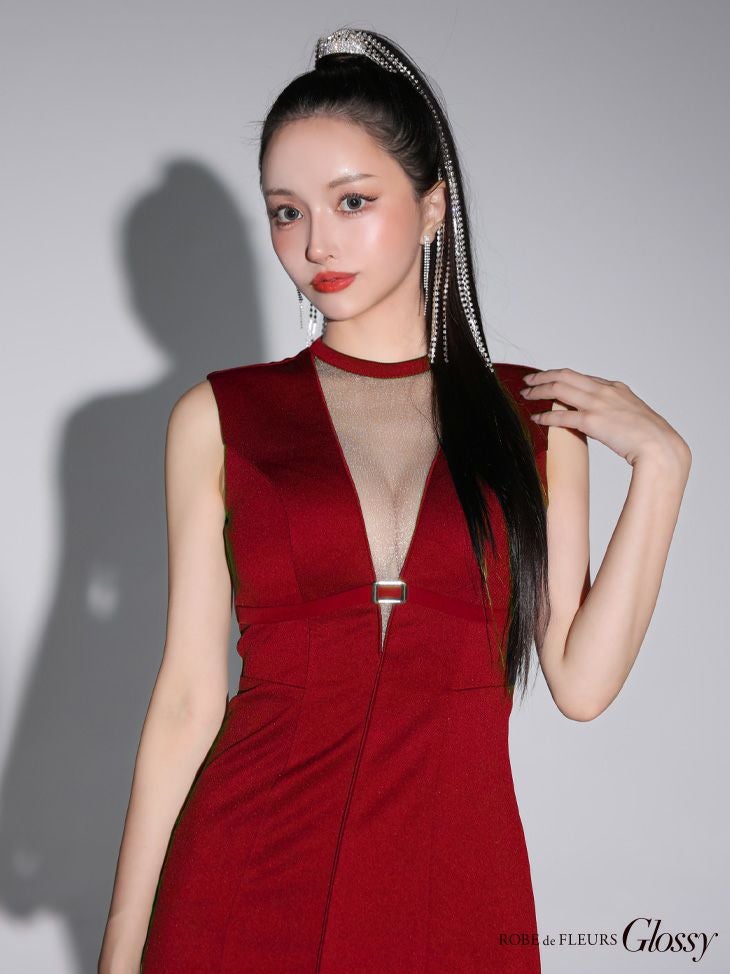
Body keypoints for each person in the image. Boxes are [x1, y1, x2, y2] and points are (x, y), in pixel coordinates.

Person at [98, 26, 692, 974]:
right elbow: (186, 699)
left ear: (431, 207)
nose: (315, 243)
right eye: (286, 212)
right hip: (241, 877)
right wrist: (122, 950)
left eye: (352, 201)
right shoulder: (219, 417)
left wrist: (663, 466)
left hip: (450, 887)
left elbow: (580, 684)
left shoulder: (534, 421)